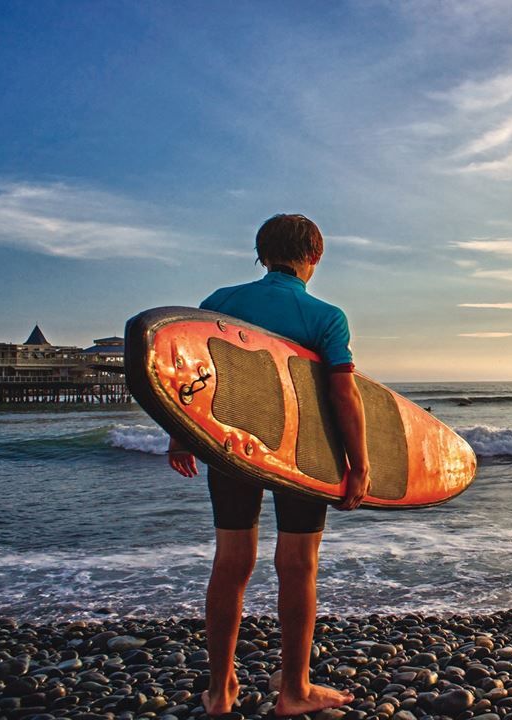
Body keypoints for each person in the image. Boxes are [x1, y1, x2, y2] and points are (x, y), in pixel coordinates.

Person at [166, 214, 370, 717]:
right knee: (298, 566)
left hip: (232, 448)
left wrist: (181, 433)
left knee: (232, 562)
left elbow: (190, 371)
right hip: (302, 456)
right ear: (315, 257)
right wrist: (359, 464)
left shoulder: (219, 303)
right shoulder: (326, 316)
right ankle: (294, 690)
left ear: (261, 254)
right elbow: (344, 393)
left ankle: (220, 690)